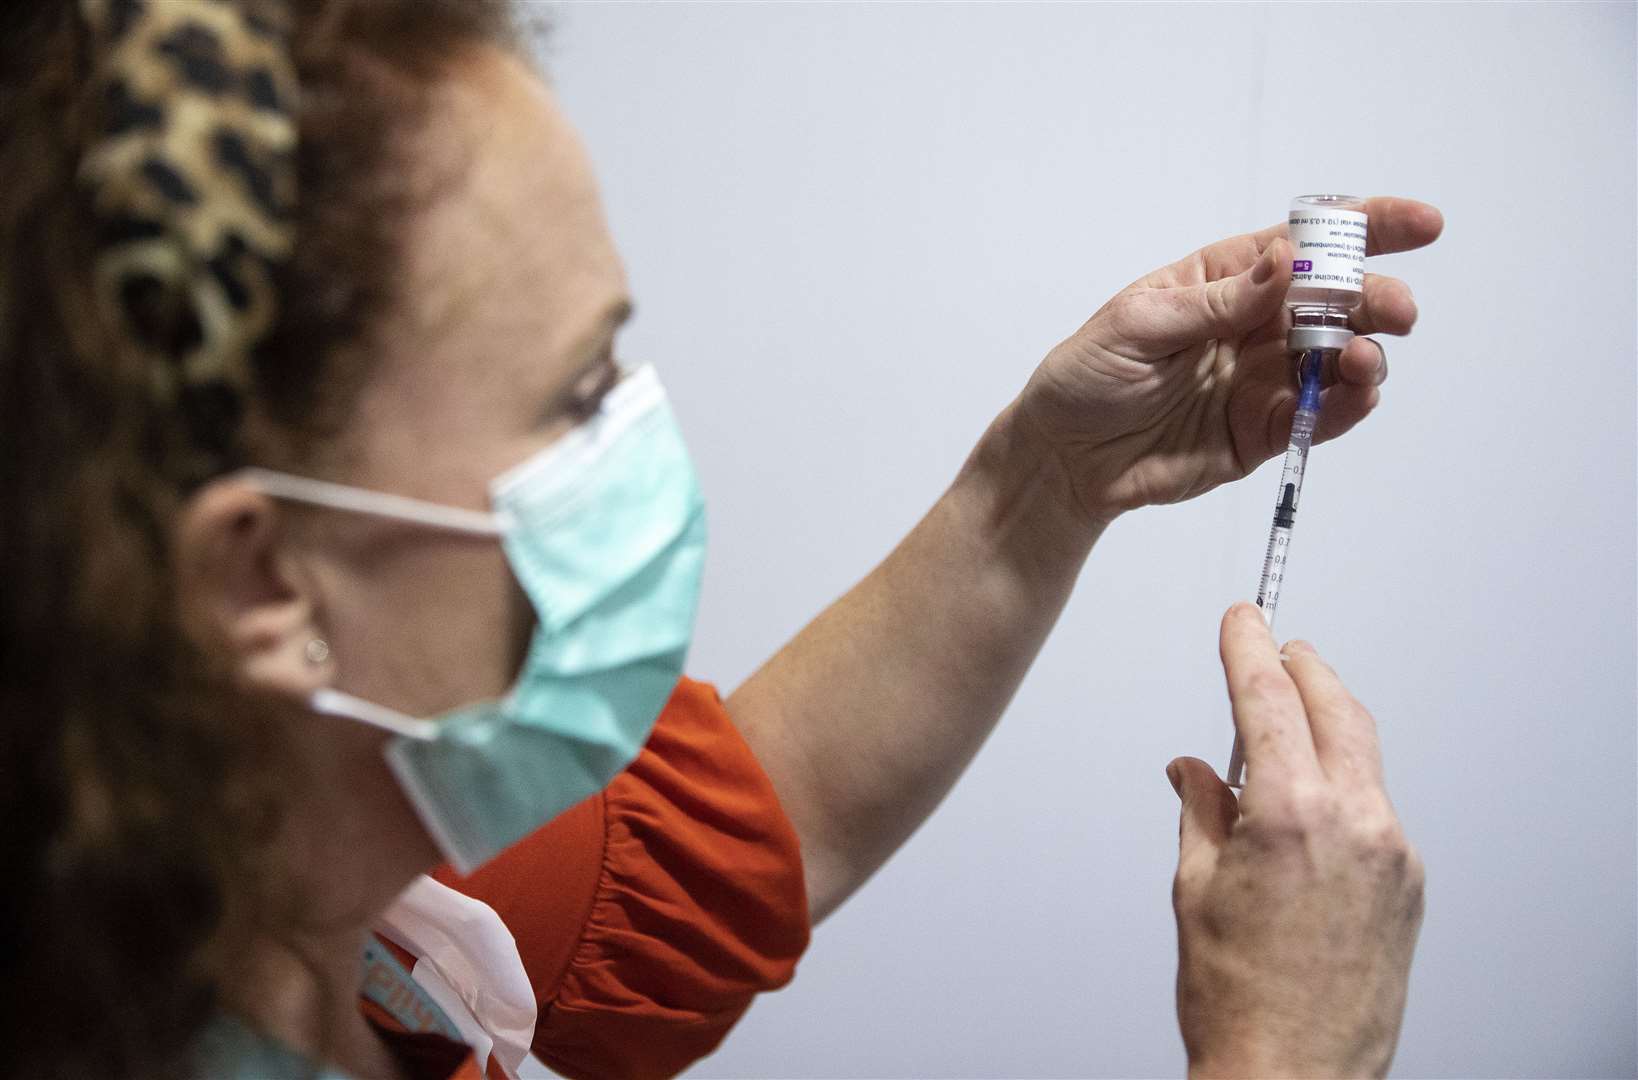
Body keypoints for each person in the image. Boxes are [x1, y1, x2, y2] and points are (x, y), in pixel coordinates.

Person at [0, 0, 1439, 1077]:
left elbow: (704, 865)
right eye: (573, 393)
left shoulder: (346, 884)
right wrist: (1290, 1054)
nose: (637, 446)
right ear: (261, 579)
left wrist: (1048, 481)